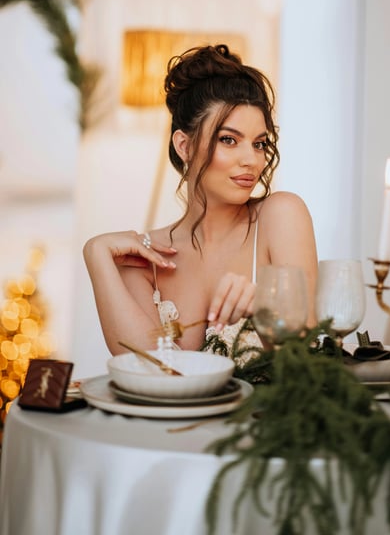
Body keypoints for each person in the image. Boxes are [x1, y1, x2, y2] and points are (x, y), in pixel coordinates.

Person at [83, 44, 318, 355]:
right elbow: (147, 372)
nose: (251, 159)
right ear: (184, 146)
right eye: (229, 140)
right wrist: (95, 254)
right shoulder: (145, 259)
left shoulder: (281, 216)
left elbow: (309, 359)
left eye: (259, 143)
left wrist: (264, 312)